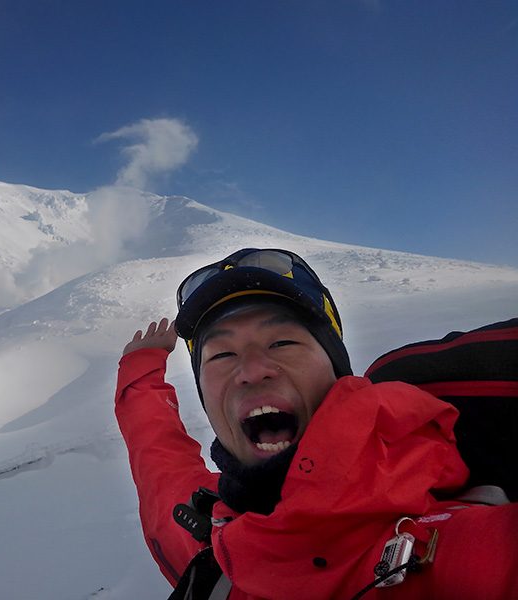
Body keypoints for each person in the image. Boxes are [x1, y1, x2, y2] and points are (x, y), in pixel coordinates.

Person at [115, 248, 517, 599]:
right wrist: (142, 368)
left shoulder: (469, 551)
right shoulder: (211, 541)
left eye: (282, 342)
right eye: (221, 355)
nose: (252, 370)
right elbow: (159, 462)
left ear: (338, 372)